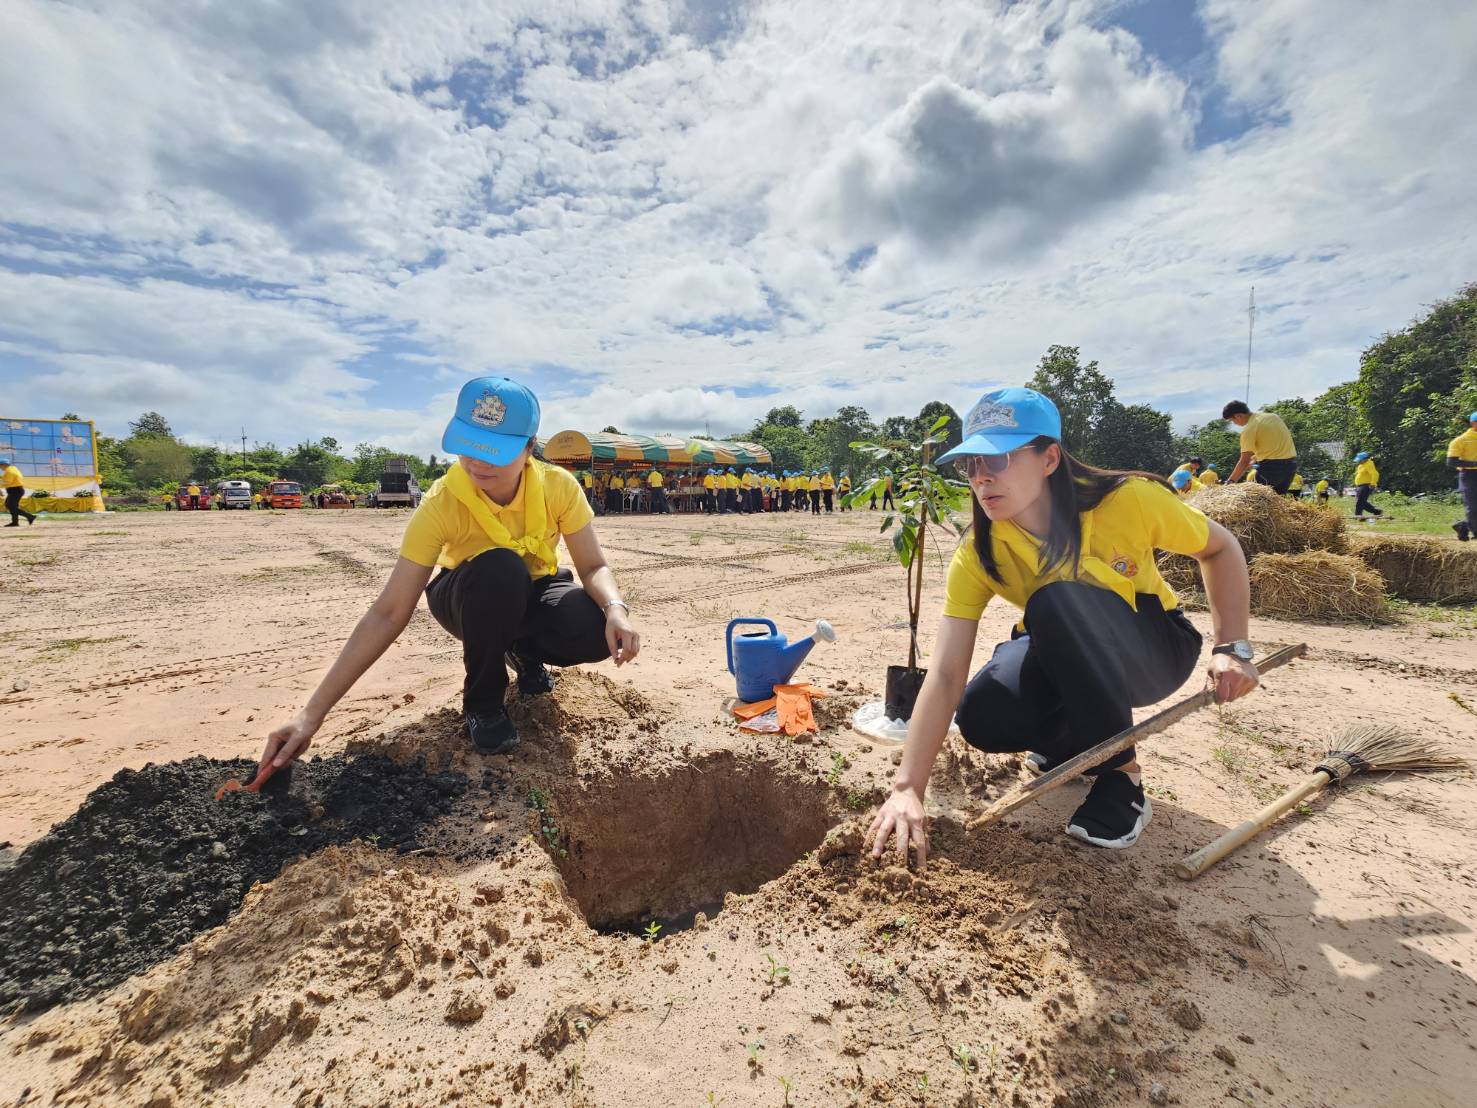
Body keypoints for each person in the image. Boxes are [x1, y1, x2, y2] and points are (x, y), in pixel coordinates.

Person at [867, 387, 1258, 861]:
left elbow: (1221, 548)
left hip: (1153, 646)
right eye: (970, 464)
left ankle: (1121, 777)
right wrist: (908, 788)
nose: (981, 478)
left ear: (1049, 458)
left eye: (1000, 459)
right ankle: (1076, 746)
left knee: (1056, 601)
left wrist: (1232, 646)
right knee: (983, 715)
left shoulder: (1129, 500)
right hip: (1059, 645)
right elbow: (947, 673)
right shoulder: (980, 552)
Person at [260, 376, 640, 766]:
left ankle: (521, 652)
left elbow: (593, 566)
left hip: (534, 588)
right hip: (468, 595)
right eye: (469, 448)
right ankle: (484, 704)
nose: (477, 462)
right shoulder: (443, 501)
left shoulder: (557, 486)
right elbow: (388, 612)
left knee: (592, 626)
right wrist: (311, 715)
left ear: (529, 447)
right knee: (501, 567)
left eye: (494, 451)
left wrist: (615, 609)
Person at [1222, 401, 1297, 493]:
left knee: (1250, 499)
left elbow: (1244, 461)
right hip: (1291, 466)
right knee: (1276, 502)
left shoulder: (1249, 429)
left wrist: (1230, 482)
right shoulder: (1273, 417)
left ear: (1238, 415)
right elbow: (1274, 445)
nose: (1234, 423)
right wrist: (1256, 457)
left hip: (1271, 469)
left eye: (1232, 420)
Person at [1446, 412, 1477, 542]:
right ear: (1473, 423)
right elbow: (1451, 461)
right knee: (1473, 506)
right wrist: (1474, 463)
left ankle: (1463, 526)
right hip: (1469, 475)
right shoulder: (1461, 440)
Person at [2, 457, 37, 526]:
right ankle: (15, 522)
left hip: (15, 490)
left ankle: (29, 516)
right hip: (16, 490)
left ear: (4, 465)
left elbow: (7, 482)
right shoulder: (13, 469)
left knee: (10, 505)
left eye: (0, 466)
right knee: (12, 506)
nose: (0, 468)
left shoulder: (9, 471)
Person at [1351, 451, 1382, 521]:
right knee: (1362, 502)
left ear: (1365, 459)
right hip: (1360, 486)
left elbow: (1375, 474)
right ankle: (1377, 511)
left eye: (1360, 460)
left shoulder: (1369, 464)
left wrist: (1373, 483)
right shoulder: (1361, 466)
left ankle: (1358, 516)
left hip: (1366, 485)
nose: (1358, 461)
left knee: (1359, 501)